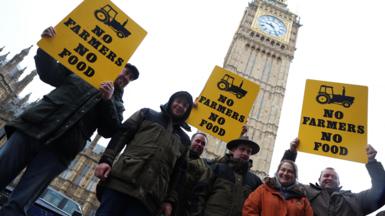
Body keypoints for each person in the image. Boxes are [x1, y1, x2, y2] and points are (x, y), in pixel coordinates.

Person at [0, 27, 139, 216]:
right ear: (117, 65)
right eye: (126, 71)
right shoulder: (83, 70)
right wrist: (48, 47)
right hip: (33, 129)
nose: (126, 77)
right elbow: (48, 74)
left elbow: (110, 130)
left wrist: (107, 101)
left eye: (130, 78)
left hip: (60, 150)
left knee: (19, 203)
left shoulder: (117, 104)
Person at [94, 91, 194, 216]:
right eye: (178, 101)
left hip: (149, 198)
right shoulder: (147, 114)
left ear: (187, 111)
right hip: (121, 183)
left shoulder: (184, 140)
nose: (180, 106)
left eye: (185, 105)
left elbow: (179, 173)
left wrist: (170, 201)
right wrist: (106, 160)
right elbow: (122, 134)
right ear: (171, 101)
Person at [282, 138, 385, 216]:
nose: (329, 178)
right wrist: (291, 153)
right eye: (326, 176)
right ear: (319, 179)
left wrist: (372, 162)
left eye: (333, 177)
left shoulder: (353, 200)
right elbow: (282, 181)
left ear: (339, 182)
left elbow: (381, 192)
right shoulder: (305, 192)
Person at [191, 135, 262, 216]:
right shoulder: (216, 169)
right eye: (242, 149)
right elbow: (198, 195)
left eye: (248, 152)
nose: (245, 153)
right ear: (232, 151)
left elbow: (262, 203)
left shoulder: (255, 180)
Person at [243, 160, 313, 216]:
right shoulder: (263, 190)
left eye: (290, 171)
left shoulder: (302, 199)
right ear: (277, 172)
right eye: (283, 170)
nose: (285, 173)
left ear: (295, 176)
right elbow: (249, 209)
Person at [174, 132, 211, 216]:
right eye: (197, 141)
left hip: (183, 207)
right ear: (191, 141)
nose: (199, 144)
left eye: (203, 143)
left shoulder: (204, 167)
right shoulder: (178, 151)